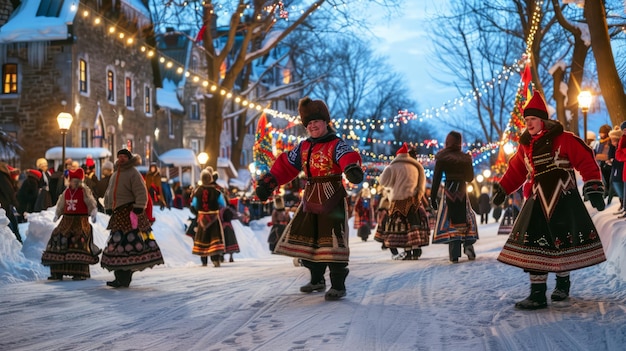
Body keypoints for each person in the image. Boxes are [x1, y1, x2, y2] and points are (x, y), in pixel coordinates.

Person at [491, 90, 606, 310]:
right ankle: (537, 294)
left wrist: (593, 188)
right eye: (526, 120)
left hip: (563, 198)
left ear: (543, 120)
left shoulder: (565, 139)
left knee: (560, 242)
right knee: (535, 244)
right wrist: (503, 188)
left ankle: (562, 284)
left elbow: (586, 160)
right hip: (536, 201)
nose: (529, 124)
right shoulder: (525, 146)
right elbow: (516, 169)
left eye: (532, 119)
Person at [255, 96, 364, 301]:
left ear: (326, 123)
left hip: (332, 196)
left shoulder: (335, 144)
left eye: (317, 121)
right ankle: (317, 279)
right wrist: (269, 182)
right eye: (309, 123)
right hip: (311, 196)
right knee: (310, 239)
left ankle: (338, 284)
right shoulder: (304, 147)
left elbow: (347, 155)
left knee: (333, 240)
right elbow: (286, 165)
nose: (313, 125)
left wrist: (351, 168)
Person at [101, 149, 164, 288]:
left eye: (124, 156)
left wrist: (139, 206)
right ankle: (119, 277)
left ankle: (124, 278)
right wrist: (108, 205)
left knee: (128, 245)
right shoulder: (115, 174)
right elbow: (109, 192)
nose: (122, 159)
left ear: (129, 159)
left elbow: (141, 191)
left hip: (130, 213)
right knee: (116, 246)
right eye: (120, 157)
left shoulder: (133, 173)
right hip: (118, 214)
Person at [41, 168, 100, 280]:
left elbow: (90, 202)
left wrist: (93, 213)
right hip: (66, 220)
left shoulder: (84, 191)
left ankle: (79, 272)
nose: (70, 182)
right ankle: (57, 271)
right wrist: (57, 214)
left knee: (78, 239)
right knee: (57, 236)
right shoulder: (66, 192)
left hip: (80, 220)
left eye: (72, 180)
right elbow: (61, 204)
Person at [376, 143, 430, 260]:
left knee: (402, 227)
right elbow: (421, 186)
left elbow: (384, 182)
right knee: (413, 225)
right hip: (412, 201)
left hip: (398, 202)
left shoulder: (393, 167)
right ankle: (416, 249)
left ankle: (408, 251)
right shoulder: (416, 167)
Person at [430, 131, 478, 263]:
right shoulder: (465, 158)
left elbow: (436, 179)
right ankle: (468, 245)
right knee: (466, 218)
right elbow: (470, 178)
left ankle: (454, 253)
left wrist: (433, 197)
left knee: (451, 220)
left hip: (449, 191)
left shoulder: (442, 157)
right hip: (462, 190)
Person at [190, 167, 226, 267]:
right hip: (214, 217)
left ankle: (204, 260)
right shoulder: (216, 192)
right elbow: (223, 204)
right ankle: (215, 259)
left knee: (203, 238)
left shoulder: (197, 191)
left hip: (202, 218)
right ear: (210, 179)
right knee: (214, 238)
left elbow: (194, 204)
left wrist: (199, 211)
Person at [0, 162, 22, 243]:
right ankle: (16, 244)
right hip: (5, 205)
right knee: (11, 226)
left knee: (12, 225)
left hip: (4, 205)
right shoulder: (3, 176)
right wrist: (17, 205)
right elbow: (9, 191)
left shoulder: (3, 176)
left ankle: (16, 244)